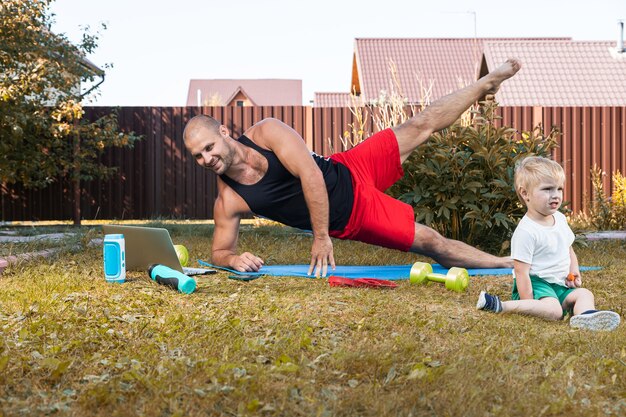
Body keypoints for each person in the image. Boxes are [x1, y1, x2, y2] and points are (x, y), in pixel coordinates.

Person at [183, 60, 522, 277]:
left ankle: (483, 85)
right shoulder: (229, 200)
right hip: (354, 214)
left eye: (209, 147)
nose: (207, 159)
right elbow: (219, 251)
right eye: (198, 156)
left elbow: (311, 174)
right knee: (431, 241)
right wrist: (233, 260)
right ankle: (504, 263)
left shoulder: (267, 132)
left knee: (419, 125)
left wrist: (320, 239)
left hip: (349, 166)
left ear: (224, 133)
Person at [477, 156, 620, 331]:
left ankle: (586, 316)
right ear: (525, 194)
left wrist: (573, 270)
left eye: (559, 189)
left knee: (585, 294)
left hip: (560, 284)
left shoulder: (559, 219)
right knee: (554, 311)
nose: (555, 195)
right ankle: (501, 305)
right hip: (537, 284)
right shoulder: (526, 232)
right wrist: (528, 302)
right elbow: (521, 272)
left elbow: (568, 248)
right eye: (547, 189)